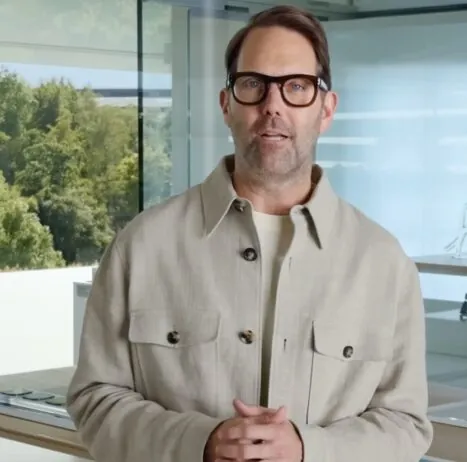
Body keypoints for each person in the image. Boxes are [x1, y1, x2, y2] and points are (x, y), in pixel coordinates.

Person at [66, 4, 433, 462]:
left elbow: (406, 423)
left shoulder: (384, 263)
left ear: (326, 109)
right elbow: (95, 399)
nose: (272, 105)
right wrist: (199, 442)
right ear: (227, 104)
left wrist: (310, 450)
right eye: (253, 84)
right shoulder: (141, 247)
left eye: (296, 86)